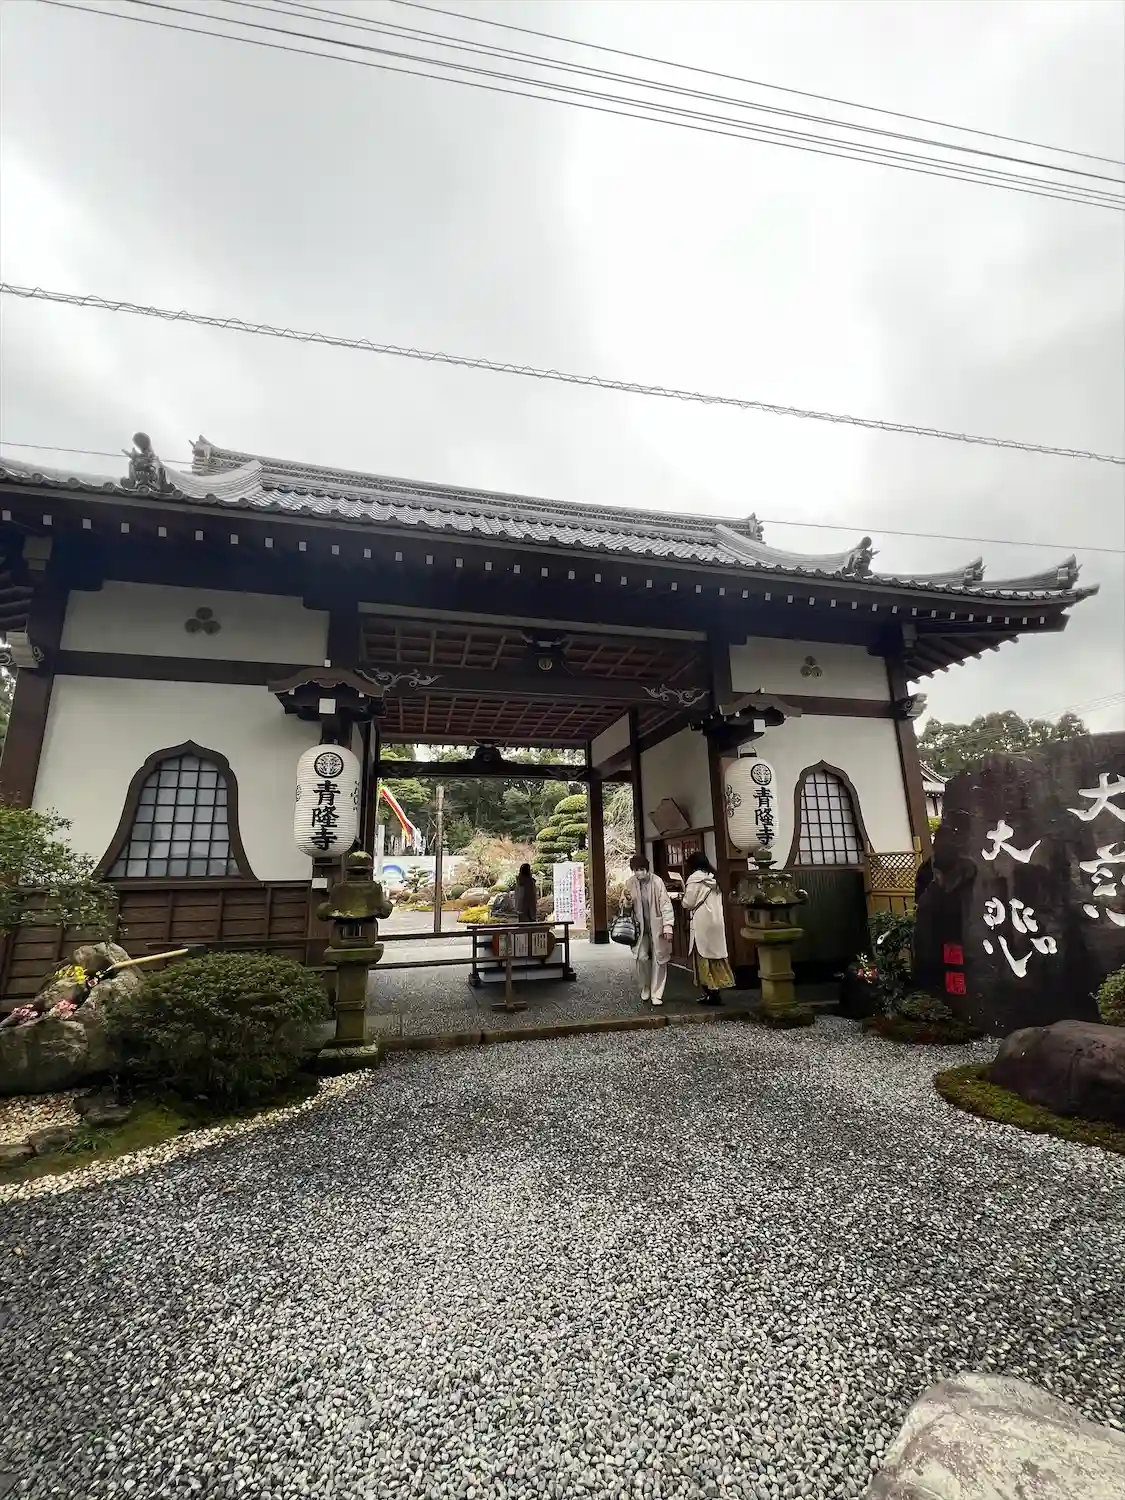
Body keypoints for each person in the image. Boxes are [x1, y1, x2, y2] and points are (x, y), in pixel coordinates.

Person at [681, 851, 735, 1006]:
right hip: (716, 922)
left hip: (702, 922)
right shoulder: (714, 878)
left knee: (702, 956)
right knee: (715, 956)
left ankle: (710, 992)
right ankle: (717, 991)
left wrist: (682, 896)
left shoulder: (694, 879)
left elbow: (688, 902)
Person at [624, 853, 675, 1006]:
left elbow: (666, 904)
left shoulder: (657, 882)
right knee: (641, 958)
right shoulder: (630, 883)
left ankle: (657, 993)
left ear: (647, 869)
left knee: (660, 959)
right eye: (636, 870)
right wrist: (627, 901)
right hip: (640, 927)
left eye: (641, 869)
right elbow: (625, 907)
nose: (639, 872)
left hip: (657, 925)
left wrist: (668, 926)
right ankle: (645, 986)